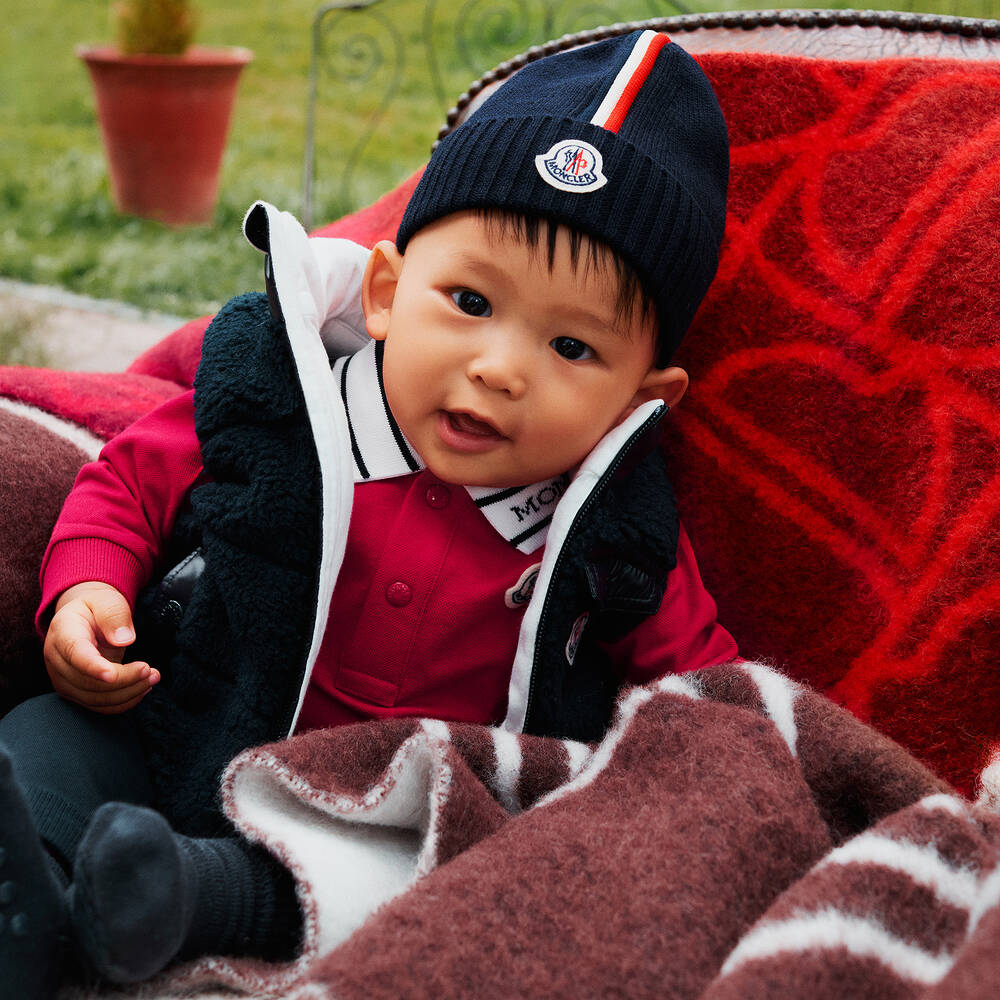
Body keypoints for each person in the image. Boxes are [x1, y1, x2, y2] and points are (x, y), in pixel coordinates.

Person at [0, 28, 734, 997]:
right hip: (187, 717)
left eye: (571, 347)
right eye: (469, 299)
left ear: (647, 396)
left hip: (396, 815)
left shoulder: (608, 532)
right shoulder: (281, 402)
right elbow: (130, 479)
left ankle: (185, 898)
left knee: (465, 876)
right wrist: (87, 591)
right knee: (45, 735)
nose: (500, 366)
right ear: (386, 292)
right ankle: (35, 891)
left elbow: (703, 689)